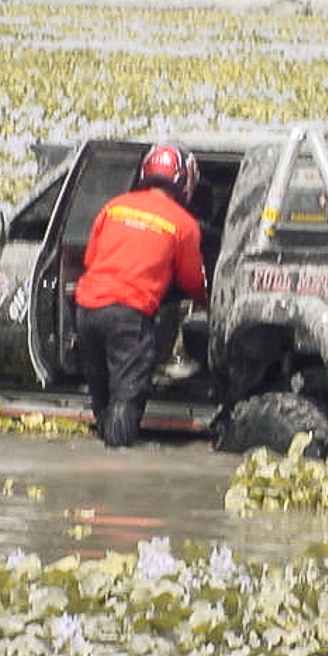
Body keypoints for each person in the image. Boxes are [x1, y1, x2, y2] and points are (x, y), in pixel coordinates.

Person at [74, 143, 209, 448]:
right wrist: (206, 301)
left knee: (103, 398)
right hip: (128, 316)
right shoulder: (184, 225)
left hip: (86, 311)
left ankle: (103, 449)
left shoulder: (115, 206)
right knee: (126, 395)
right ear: (184, 180)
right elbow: (191, 280)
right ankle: (118, 469)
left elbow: (90, 259)